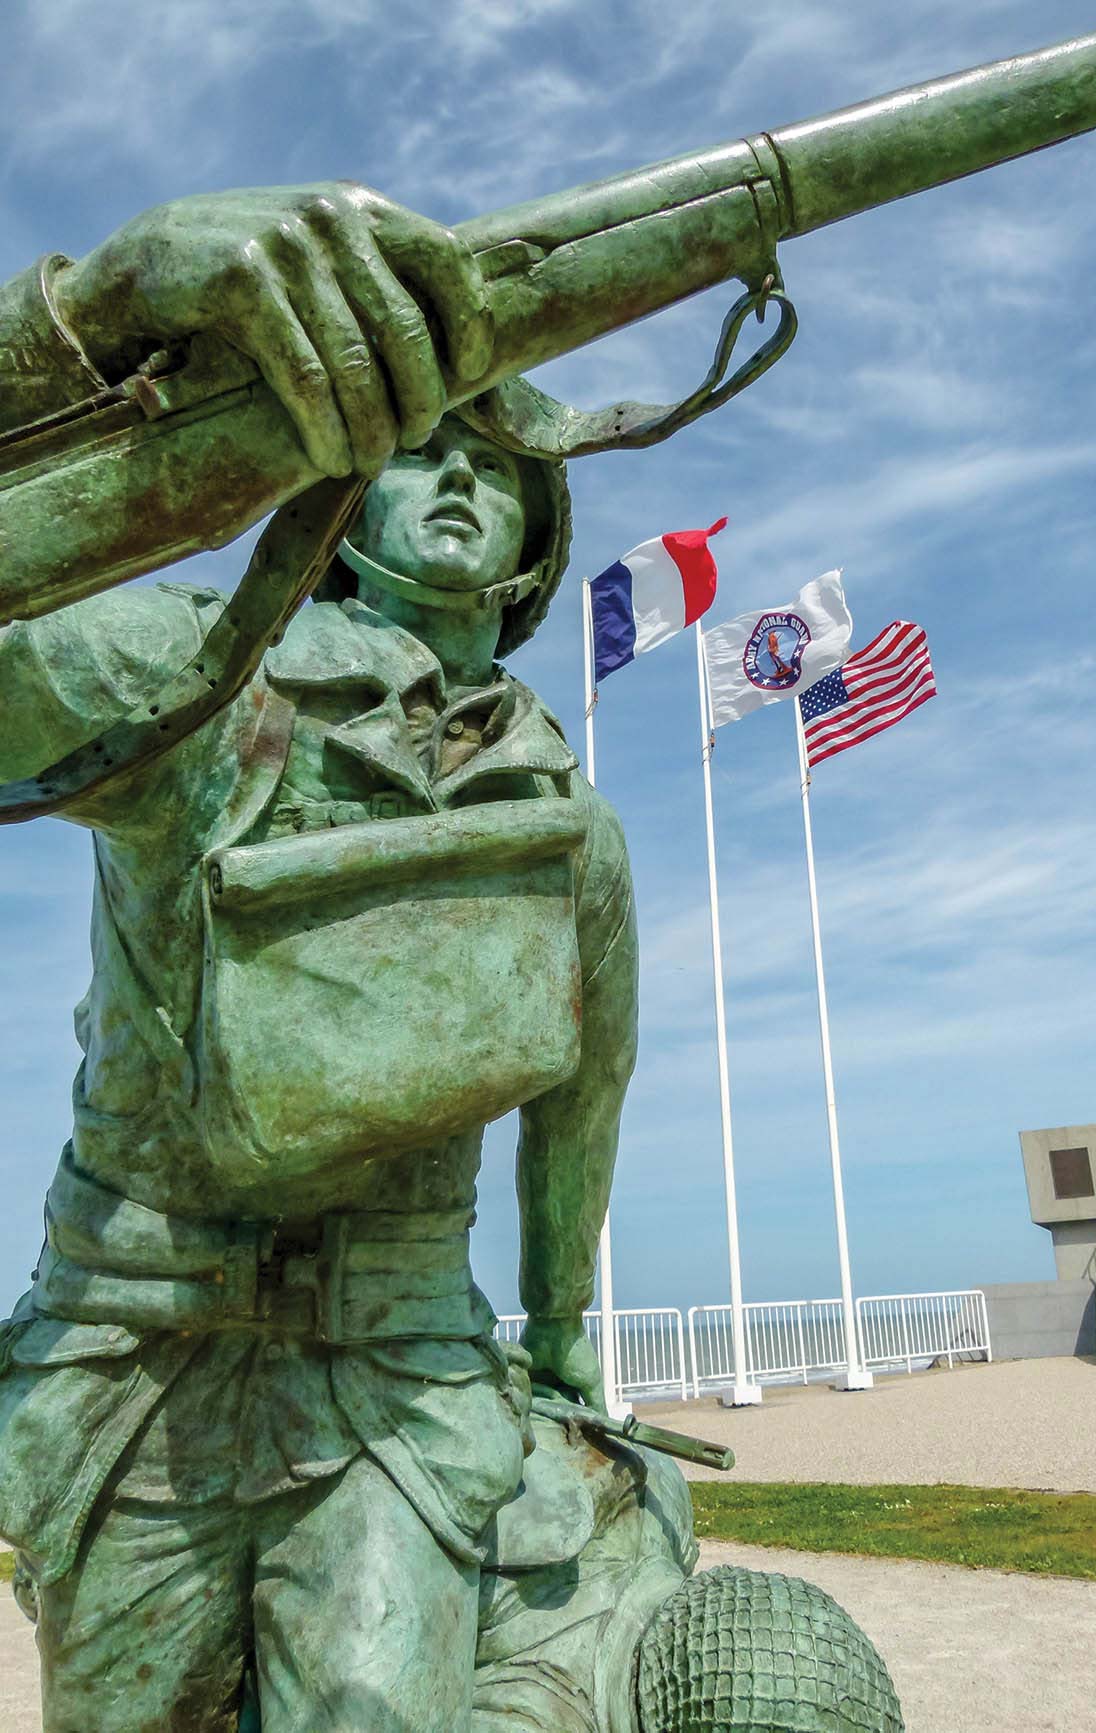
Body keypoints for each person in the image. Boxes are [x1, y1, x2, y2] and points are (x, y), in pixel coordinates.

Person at [0, 183, 636, 1733]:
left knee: (376, 1705)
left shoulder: (568, 824)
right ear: (332, 493)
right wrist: (89, 319)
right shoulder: (202, 678)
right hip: (138, 1347)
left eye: (502, 465)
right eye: (426, 449)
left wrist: (556, 1337)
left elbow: (585, 1092)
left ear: (539, 537)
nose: (464, 481)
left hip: (398, 1374)